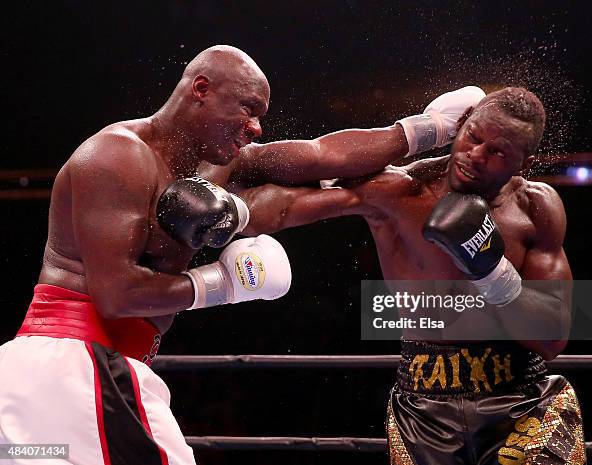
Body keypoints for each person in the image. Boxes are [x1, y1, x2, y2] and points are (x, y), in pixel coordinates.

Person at [0, 44, 484, 465]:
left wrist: (429, 129)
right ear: (201, 89)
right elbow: (117, 294)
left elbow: (320, 156)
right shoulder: (117, 156)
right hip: (76, 365)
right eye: (248, 109)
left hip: (95, 370)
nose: (254, 128)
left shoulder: (214, 163)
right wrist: (223, 285)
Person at [238, 87, 586, 465]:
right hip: (424, 407)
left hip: (522, 399)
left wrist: (491, 271)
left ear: (524, 163)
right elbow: (271, 195)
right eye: (473, 135)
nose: (476, 155)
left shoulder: (536, 206)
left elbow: (553, 338)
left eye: (498, 152)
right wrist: (229, 212)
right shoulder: (399, 191)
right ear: (462, 123)